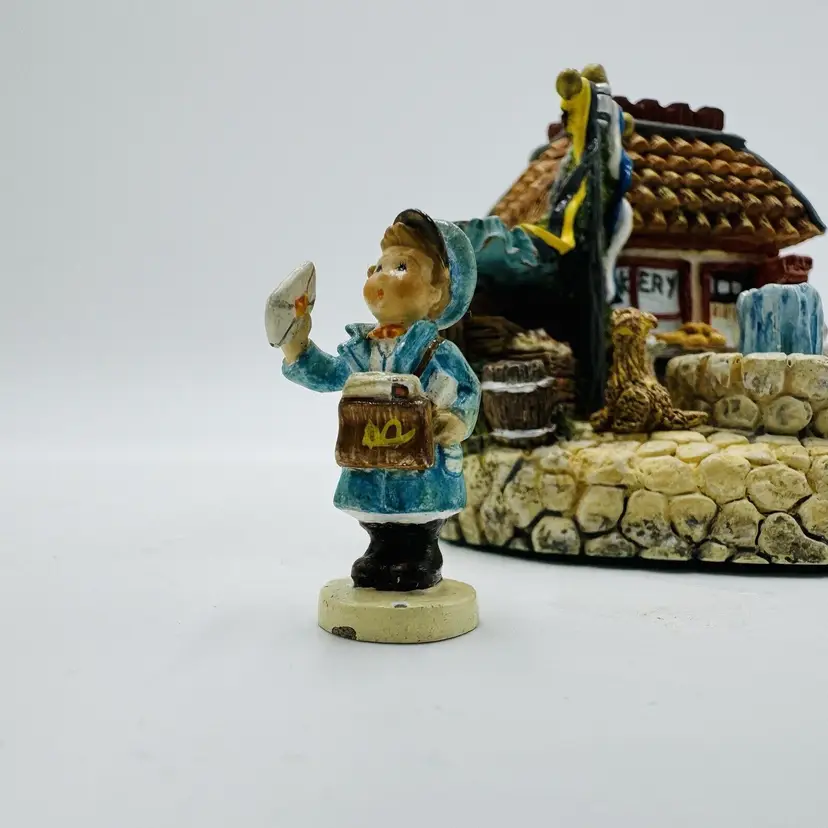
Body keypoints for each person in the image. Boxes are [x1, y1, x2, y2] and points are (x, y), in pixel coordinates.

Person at [279, 209, 481, 591]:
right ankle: (380, 552)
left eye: (401, 267)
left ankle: (422, 556)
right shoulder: (363, 348)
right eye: (378, 267)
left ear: (437, 292)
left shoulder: (438, 350)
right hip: (373, 453)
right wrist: (297, 348)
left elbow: (469, 389)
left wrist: (455, 420)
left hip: (423, 464)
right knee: (376, 511)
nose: (380, 277)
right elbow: (331, 374)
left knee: (418, 515)